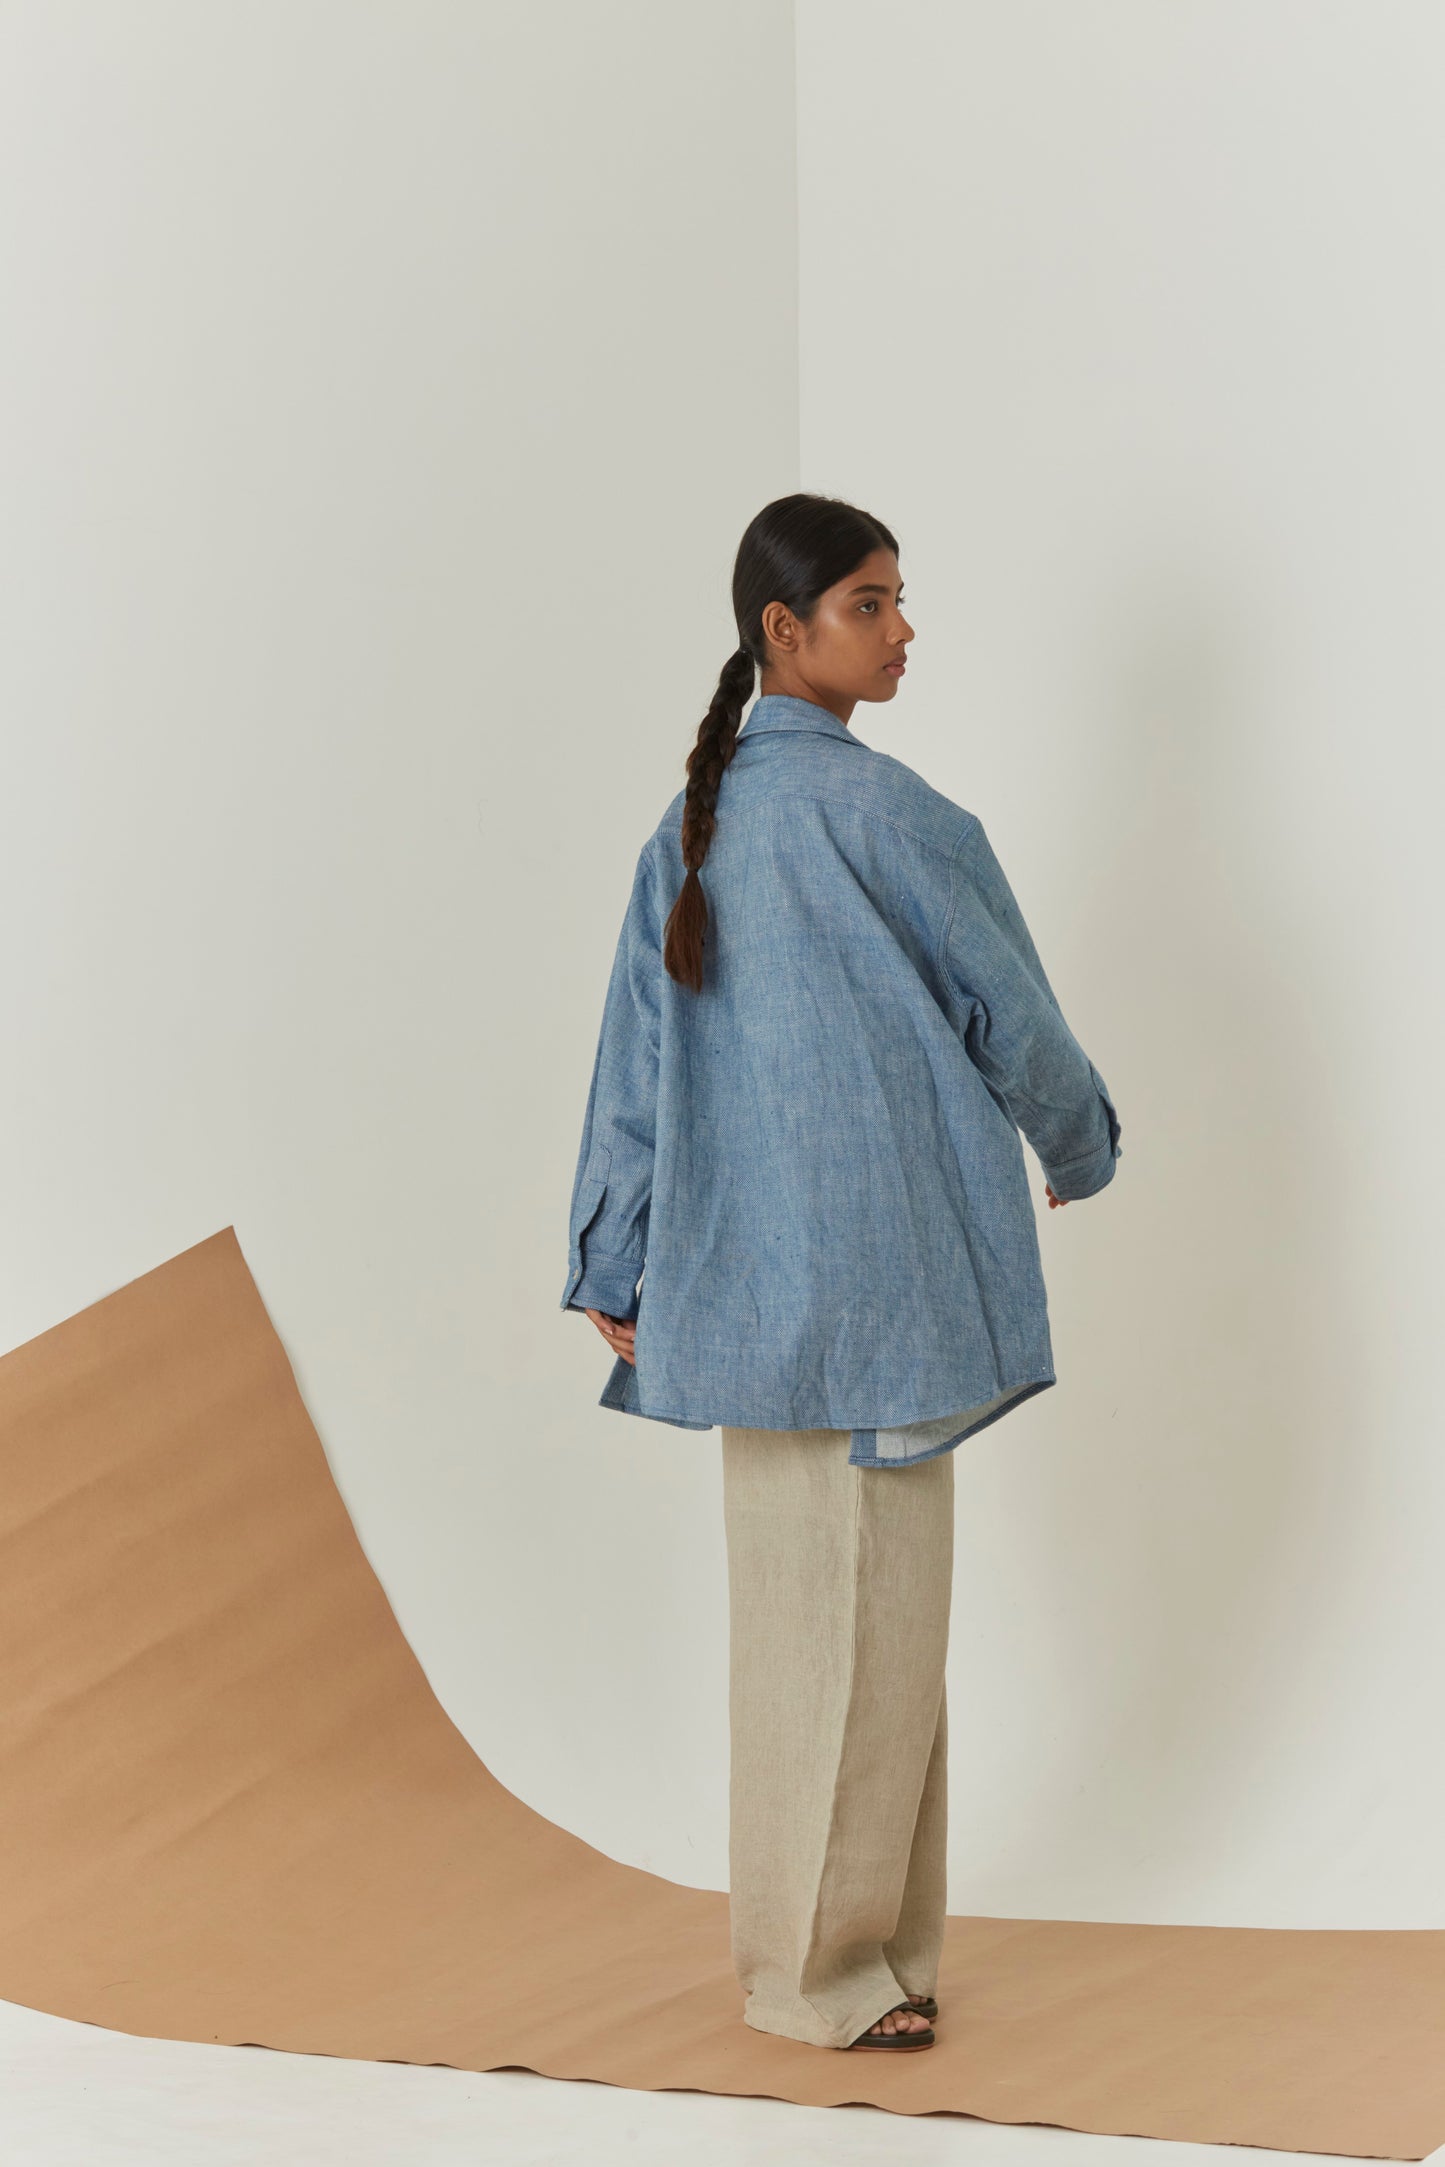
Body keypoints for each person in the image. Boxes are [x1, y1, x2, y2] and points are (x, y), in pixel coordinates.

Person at [559, 492, 1122, 2053]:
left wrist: (613, 1249)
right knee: (853, 1637)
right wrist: (1076, 1148)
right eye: (870, 603)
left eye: (897, 598)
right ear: (782, 630)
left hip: (746, 1293)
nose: (901, 628)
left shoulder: (693, 828)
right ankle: (814, 1976)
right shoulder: (895, 820)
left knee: (847, 1639)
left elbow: (630, 1063)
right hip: (882, 1296)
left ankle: (879, 1956)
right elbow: (1016, 1020)